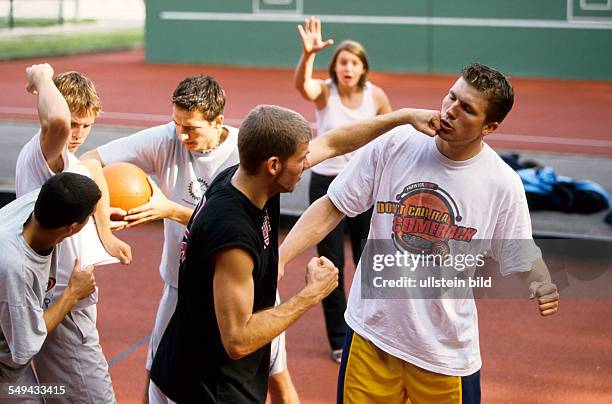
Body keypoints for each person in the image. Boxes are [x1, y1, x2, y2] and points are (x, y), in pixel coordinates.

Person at [279, 63, 560, 403]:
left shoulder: (502, 183)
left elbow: (520, 252)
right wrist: (281, 256)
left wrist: (541, 281)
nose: (450, 110)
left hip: (443, 353)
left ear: (490, 126)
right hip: (372, 335)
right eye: (451, 97)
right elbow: (333, 205)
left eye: (466, 108)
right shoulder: (396, 144)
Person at [149, 104, 441, 403]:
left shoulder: (244, 178)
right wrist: (311, 293)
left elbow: (333, 142)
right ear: (274, 165)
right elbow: (237, 340)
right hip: (207, 388)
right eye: (301, 160)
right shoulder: (233, 234)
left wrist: (403, 117)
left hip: (198, 371)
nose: (306, 165)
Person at [80, 75, 299, 403]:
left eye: (192, 128)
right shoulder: (167, 138)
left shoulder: (246, 153)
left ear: (218, 122)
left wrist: (170, 209)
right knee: (158, 373)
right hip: (182, 286)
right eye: (176, 123)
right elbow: (90, 160)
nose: (181, 134)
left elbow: (240, 226)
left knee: (276, 376)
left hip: (246, 288)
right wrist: (105, 233)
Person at [16, 63, 131, 404]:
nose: (77, 133)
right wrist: (41, 78)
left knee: (49, 394)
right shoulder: (45, 154)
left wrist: (104, 229)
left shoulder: (68, 160)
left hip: (59, 299)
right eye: (74, 123)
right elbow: (57, 123)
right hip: (62, 302)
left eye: (87, 125)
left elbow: (93, 168)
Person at [294, 17, 393, 362]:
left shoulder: (375, 96)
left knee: (370, 260)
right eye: (342, 61)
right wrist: (308, 56)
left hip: (365, 188)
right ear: (334, 67)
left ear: (363, 67)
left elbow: (390, 135)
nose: (348, 67)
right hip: (327, 185)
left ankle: (372, 331)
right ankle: (339, 339)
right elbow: (302, 86)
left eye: (354, 62)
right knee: (330, 264)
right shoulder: (325, 92)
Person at [0, 173, 100, 402]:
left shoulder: (43, 200)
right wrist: (73, 293)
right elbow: (25, 346)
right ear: (72, 227)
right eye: (90, 218)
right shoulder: (16, 268)